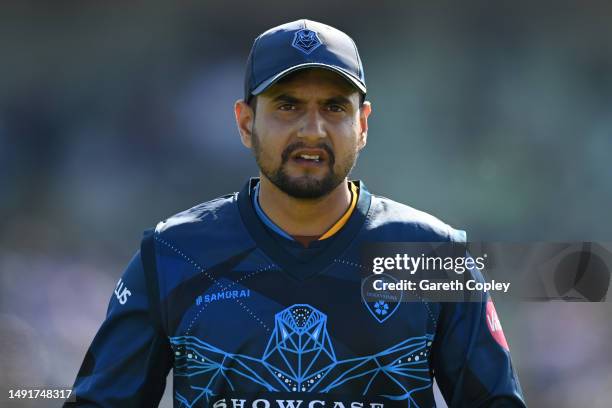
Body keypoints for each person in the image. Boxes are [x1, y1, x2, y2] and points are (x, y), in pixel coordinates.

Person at [66, 19, 526, 407]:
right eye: (287, 106)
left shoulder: (433, 254)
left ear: (362, 124)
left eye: (333, 107)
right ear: (246, 122)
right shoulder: (171, 255)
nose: (313, 129)